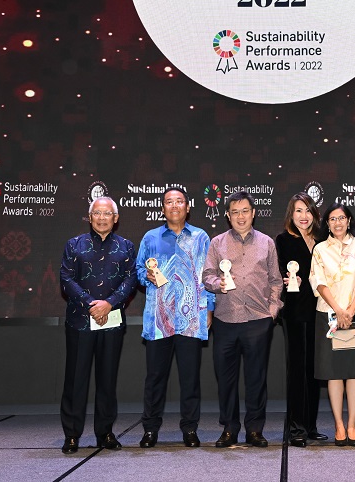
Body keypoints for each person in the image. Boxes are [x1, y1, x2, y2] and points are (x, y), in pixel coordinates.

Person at [202, 190, 283, 448]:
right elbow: (207, 276)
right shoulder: (217, 243)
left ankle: (255, 430)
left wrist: (273, 309)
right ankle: (229, 428)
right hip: (226, 320)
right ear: (227, 215)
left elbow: (275, 280)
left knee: (256, 379)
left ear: (253, 213)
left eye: (245, 211)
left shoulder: (267, 243)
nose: (240, 216)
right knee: (226, 379)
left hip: (258, 320)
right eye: (235, 211)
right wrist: (218, 284)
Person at [136, 186, 214, 448]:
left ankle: (190, 429)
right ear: (162, 208)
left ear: (187, 207)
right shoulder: (150, 237)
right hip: (159, 320)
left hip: (192, 318)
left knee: (190, 379)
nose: (174, 206)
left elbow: (209, 275)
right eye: (169, 202)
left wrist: (210, 309)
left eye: (179, 201)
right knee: (155, 378)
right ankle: (150, 429)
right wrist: (144, 275)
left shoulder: (201, 237)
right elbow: (138, 270)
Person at [59, 196, 137, 454]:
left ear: (116, 219)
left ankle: (105, 432)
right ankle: (72, 434)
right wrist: (93, 303)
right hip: (81, 321)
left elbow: (130, 280)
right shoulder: (74, 245)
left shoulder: (126, 247)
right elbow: (66, 279)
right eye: (97, 213)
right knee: (75, 379)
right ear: (89, 217)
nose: (102, 218)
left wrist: (110, 304)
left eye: (107, 214)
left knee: (107, 380)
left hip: (112, 322)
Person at [310, 203, 355, 447]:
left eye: (342, 218)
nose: (338, 223)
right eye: (333, 219)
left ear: (349, 221)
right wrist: (338, 310)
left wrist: (349, 310)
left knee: (354, 373)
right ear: (327, 223)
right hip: (328, 316)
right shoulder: (319, 249)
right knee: (333, 374)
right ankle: (338, 424)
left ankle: (352, 425)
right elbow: (318, 281)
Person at [275, 193, 329, 447]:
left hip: (319, 311)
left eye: (308, 210)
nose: (303, 216)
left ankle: (311, 425)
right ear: (291, 214)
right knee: (297, 369)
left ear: (315, 214)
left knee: (314, 370)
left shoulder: (323, 240)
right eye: (298, 211)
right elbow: (278, 276)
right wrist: (287, 281)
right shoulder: (283, 240)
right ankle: (295, 428)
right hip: (295, 311)